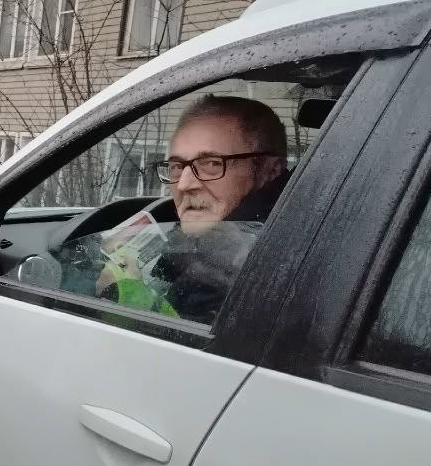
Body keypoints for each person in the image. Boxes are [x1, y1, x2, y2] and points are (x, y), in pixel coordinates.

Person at [99, 94, 290, 322]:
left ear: (271, 171)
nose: (184, 184)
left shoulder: (250, 264)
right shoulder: (242, 233)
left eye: (211, 163)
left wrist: (126, 295)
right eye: (177, 165)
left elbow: (182, 352)